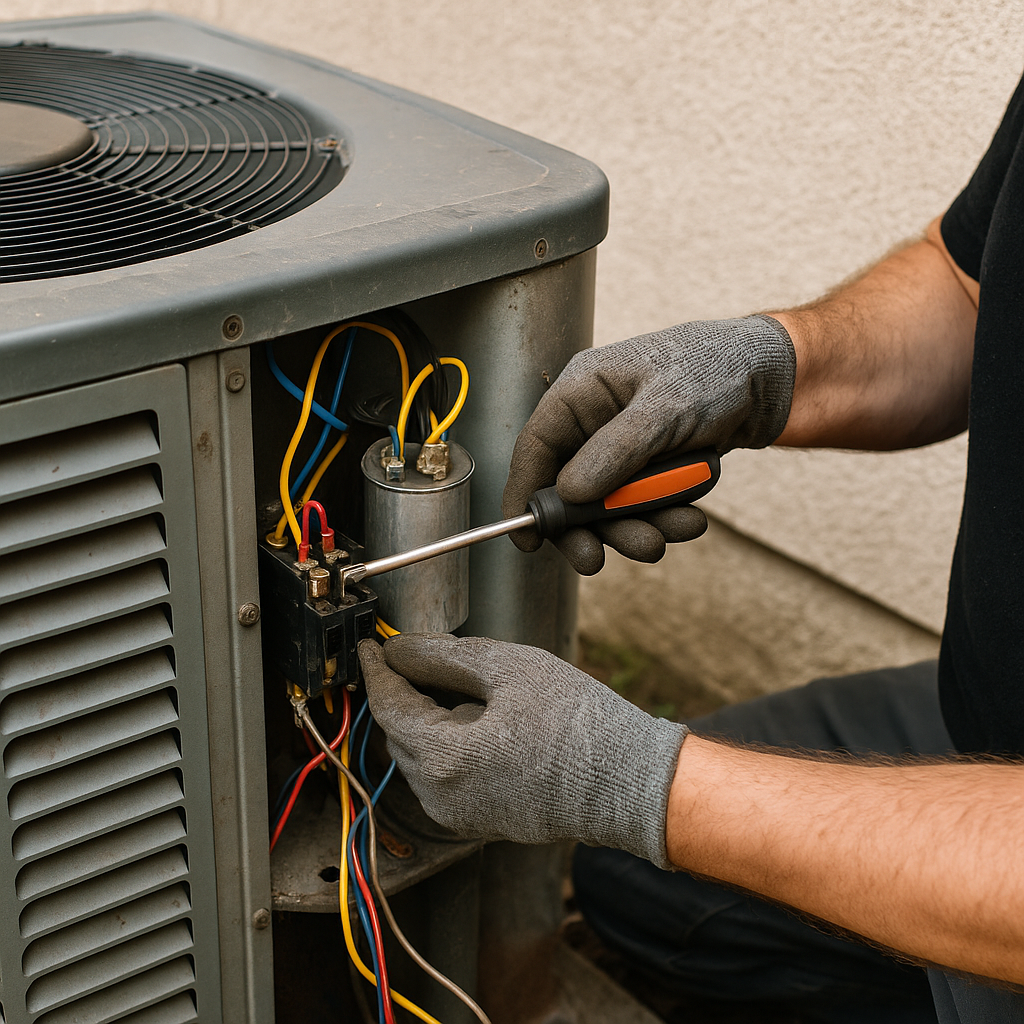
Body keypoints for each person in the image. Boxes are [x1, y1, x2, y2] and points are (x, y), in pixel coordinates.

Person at [357, 69, 1024, 1024]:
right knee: (647, 888)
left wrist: (630, 778)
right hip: (985, 711)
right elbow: (969, 282)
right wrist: (771, 363)